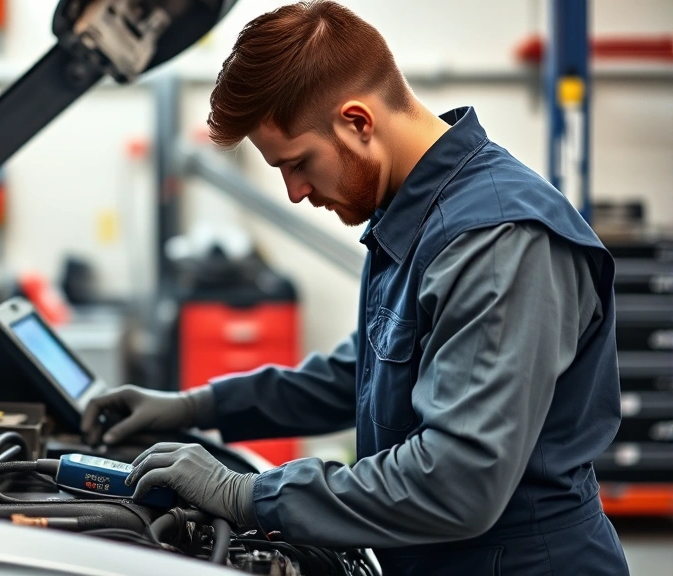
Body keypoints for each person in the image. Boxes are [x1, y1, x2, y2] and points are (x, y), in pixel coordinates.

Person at [81, 2, 630, 574]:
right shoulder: (415, 214)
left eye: (298, 164)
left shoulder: (495, 241)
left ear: (358, 122)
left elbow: (457, 481)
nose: (294, 192)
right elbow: (362, 375)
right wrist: (191, 406)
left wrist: (246, 495)